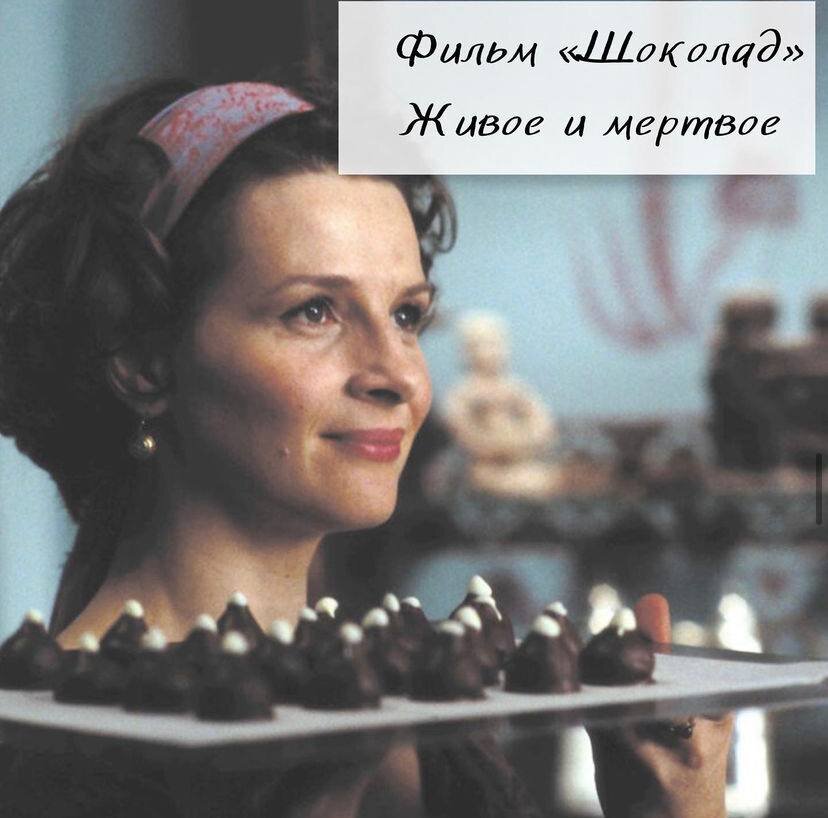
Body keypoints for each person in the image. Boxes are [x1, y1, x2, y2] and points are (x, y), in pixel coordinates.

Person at [0, 75, 730, 817]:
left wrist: (672, 809)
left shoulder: (425, 711)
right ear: (144, 363)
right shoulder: (50, 759)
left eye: (407, 315)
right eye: (314, 311)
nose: (399, 376)